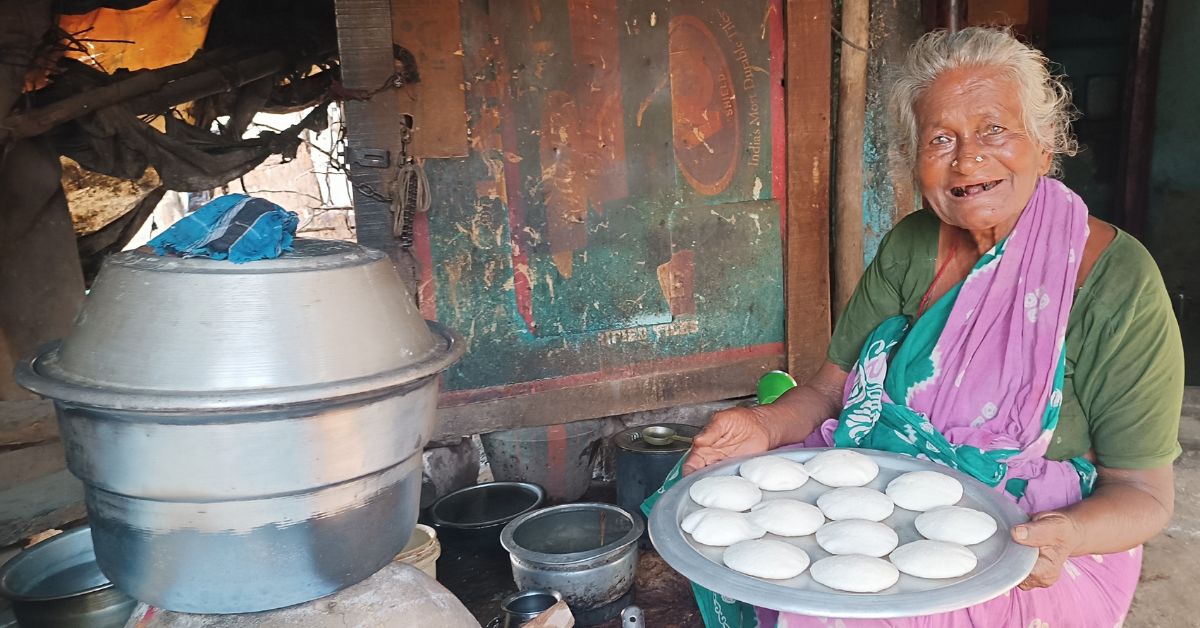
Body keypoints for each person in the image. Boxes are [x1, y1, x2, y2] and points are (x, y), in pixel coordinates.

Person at [682, 26, 1184, 627]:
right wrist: (762, 425)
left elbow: (1145, 495)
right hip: (881, 501)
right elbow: (827, 392)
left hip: (1031, 539)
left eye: (994, 129)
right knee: (726, 517)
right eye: (939, 138)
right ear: (913, 160)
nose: (967, 158)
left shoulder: (1117, 283)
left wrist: (1067, 533)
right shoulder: (912, 247)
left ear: (1045, 146)